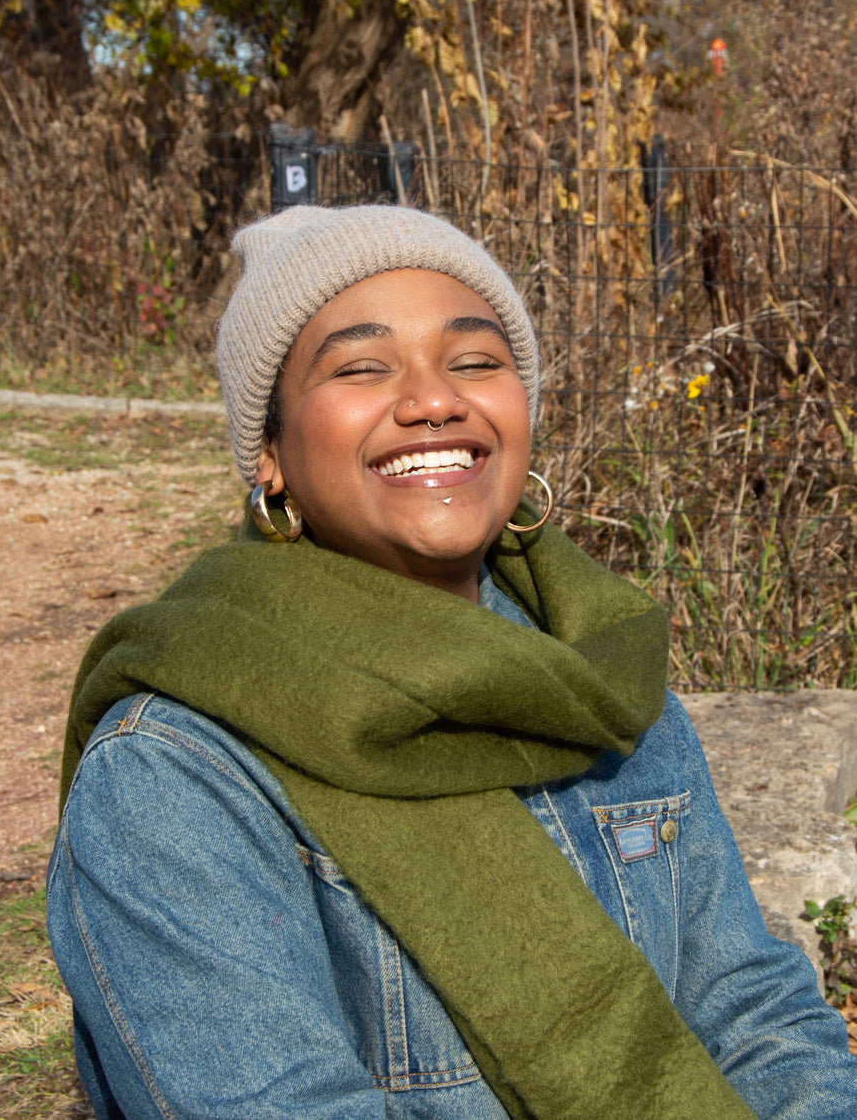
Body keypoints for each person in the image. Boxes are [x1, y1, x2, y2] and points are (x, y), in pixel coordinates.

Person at [46, 205, 857, 1120]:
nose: (435, 398)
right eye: (361, 367)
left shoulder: (603, 676)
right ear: (268, 454)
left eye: (476, 361)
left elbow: (756, 1016)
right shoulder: (175, 771)